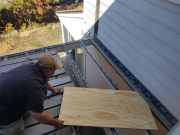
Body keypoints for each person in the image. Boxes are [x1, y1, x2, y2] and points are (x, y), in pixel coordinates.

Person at [0, 55, 65, 135]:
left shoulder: (31, 66)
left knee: (27, 112)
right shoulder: (35, 88)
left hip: (6, 96)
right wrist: (57, 123)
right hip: (3, 113)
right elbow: (38, 116)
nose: (55, 71)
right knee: (16, 130)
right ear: (48, 70)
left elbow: (43, 81)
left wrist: (53, 90)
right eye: (54, 69)